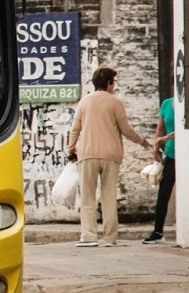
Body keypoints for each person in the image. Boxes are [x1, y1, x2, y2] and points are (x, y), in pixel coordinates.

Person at [65, 66, 152, 247]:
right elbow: (126, 129)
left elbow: (75, 129)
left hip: (87, 153)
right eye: (114, 82)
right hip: (111, 155)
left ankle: (88, 236)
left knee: (88, 196)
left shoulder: (84, 102)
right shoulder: (115, 103)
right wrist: (141, 141)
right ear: (109, 83)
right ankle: (110, 238)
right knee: (109, 196)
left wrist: (71, 149)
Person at [146, 96, 177, 244]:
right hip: (171, 154)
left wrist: (166, 138)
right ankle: (157, 231)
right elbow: (160, 129)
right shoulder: (166, 104)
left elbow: (185, 128)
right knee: (163, 193)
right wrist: (156, 149)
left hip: (187, 154)